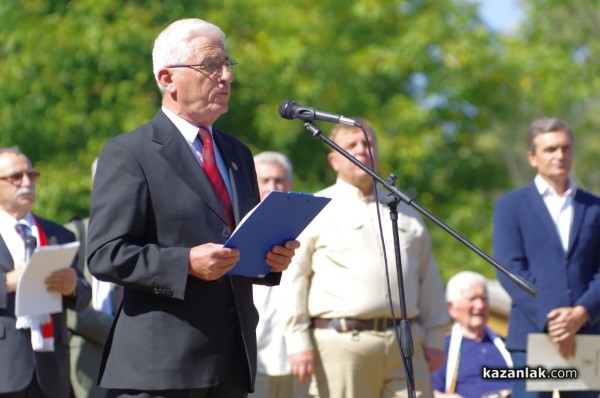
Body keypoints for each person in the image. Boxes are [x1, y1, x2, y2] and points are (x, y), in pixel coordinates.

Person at [86, 18, 299, 398]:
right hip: (161, 368)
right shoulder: (129, 153)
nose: (225, 77)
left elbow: (237, 242)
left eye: (227, 65)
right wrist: (185, 263)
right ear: (168, 79)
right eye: (210, 65)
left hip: (231, 363)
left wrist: (270, 259)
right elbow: (105, 254)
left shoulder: (236, 153)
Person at [281, 121, 450, 398]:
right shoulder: (315, 209)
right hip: (342, 345)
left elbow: (428, 279)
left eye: (368, 144)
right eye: (351, 145)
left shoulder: (404, 209)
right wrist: (297, 340)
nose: (361, 150)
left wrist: (435, 337)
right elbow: (293, 282)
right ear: (333, 160)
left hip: (407, 344)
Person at [493, 117, 600, 398]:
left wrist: (580, 314)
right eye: (550, 149)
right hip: (531, 335)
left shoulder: (595, 207)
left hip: (587, 335)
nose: (559, 156)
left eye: (565, 148)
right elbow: (509, 269)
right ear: (532, 157)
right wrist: (551, 318)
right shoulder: (510, 206)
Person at [0, 146, 91, 398]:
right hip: (5, 366)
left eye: (32, 175)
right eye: (16, 177)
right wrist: (7, 282)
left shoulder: (59, 234)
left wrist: (73, 286)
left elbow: (84, 296)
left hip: (51, 369)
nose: (27, 182)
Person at [249, 151, 308, 398]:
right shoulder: (233, 223)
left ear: (290, 185)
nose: (273, 186)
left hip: (298, 354)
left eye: (279, 180)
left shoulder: (306, 226)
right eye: (265, 181)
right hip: (253, 355)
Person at [65, 158, 121, 398]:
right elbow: (71, 308)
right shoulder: (72, 235)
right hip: (89, 365)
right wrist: (126, 334)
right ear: (93, 186)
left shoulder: (149, 237)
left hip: (139, 368)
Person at [431, 271, 512, 398]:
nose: (480, 305)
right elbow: (428, 391)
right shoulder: (441, 349)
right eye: (472, 299)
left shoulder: (508, 345)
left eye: (484, 298)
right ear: (451, 307)